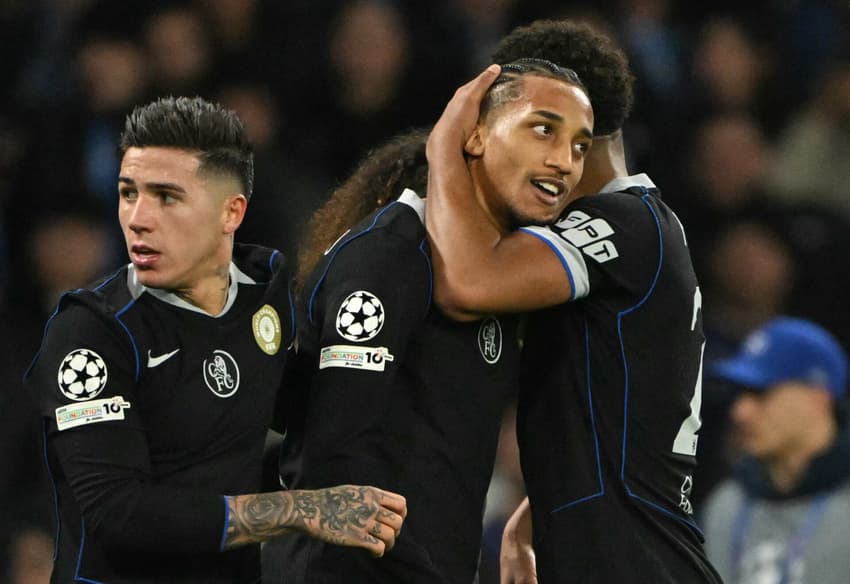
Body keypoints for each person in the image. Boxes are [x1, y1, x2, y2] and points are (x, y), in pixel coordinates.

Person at [22, 96, 406, 583]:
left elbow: (302, 409)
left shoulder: (264, 294)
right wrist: (300, 510)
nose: (138, 218)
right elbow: (118, 512)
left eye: (166, 197)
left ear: (231, 212)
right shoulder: (93, 331)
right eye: (128, 193)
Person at [266, 59, 594, 583]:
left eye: (580, 146)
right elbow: (334, 460)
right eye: (543, 130)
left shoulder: (498, 280)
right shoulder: (391, 254)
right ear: (476, 135)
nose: (564, 161)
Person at [425, 20, 722, 582]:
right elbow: (619, 406)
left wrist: (443, 147)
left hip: (635, 565)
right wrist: (537, 511)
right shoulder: (643, 225)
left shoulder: (620, 223)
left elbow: (468, 285)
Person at [702, 317, 850, 584]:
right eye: (740, 394)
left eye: (761, 392)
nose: (740, 412)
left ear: (818, 397)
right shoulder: (725, 506)